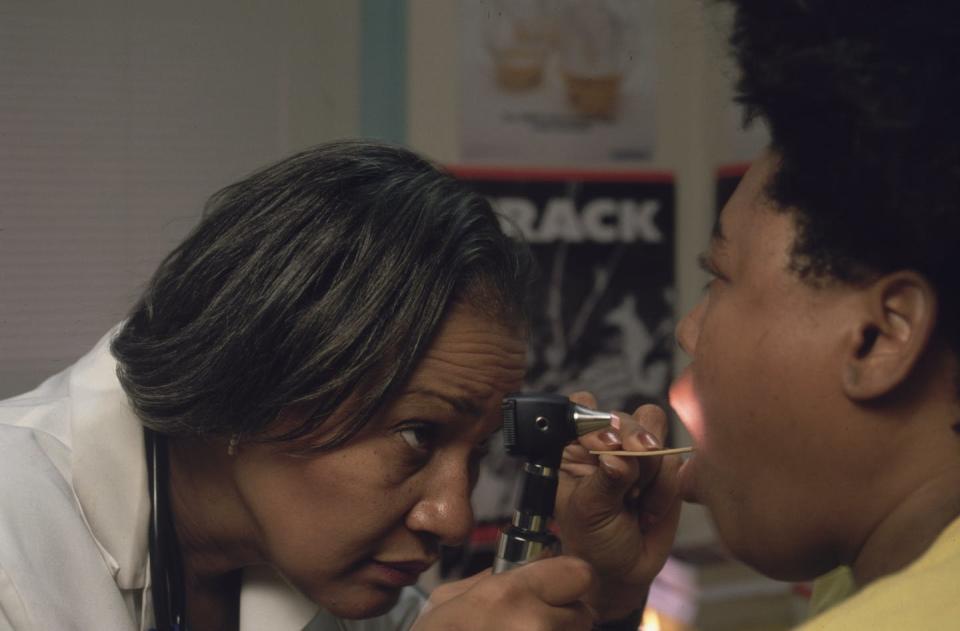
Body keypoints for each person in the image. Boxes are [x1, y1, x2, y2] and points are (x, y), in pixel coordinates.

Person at [0, 140, 677, 631]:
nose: (453, 516)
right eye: (418, 434)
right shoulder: (12, 536)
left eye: (475, 455)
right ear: (253, 371)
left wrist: (605, 594)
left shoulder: (344, 585)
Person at [578, 1, 960, 629]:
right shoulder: (859, 578)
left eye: (720, 277)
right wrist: (609, 598)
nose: (687, 331)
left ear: (877, 337)